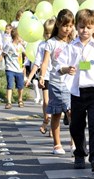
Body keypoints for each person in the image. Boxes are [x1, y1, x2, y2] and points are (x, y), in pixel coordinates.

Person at [56, 9, 94, 172]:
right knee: (76, 126)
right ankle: (79, 153)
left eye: (88, 27)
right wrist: (66, 69)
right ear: (76, 27)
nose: (85, 31)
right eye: (81, 27)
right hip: (77, 92)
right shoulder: (70, 47)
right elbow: (58, 67)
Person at [39, 9, 75, 155]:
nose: (68, 29)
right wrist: (42, 76)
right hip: (56, 82)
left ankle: (74, 143)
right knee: (56, 113)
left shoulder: (73, 42)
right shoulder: (51, 43)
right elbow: (45, 62)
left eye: (70, 26)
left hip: (71, 83)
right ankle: (57, 144)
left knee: (72, 113)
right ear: (58, 25)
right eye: (65, 26)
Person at [25, 18, 56, 136]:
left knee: (55, 103)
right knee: (47, 101)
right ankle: (46, 120)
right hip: (45, 76)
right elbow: (37, 63)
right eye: (46, 33)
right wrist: (29, 78)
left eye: (50, 33)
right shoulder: (42, 45)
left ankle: (53, 126)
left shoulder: (58, 44)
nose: (48, 35)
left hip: (57, 77)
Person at [0, 29, 25, 110]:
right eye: (21, 36)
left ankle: (20, 99)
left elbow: (25, 54)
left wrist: (25, 63)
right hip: (10, 68)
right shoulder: (9, 45)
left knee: (20, 86)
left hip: (19, 69)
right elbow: (2, 55)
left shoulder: (20, 46)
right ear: (17, 37)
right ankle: (9, 102)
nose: (22, 38)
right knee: (10, 85)